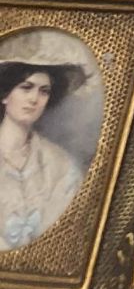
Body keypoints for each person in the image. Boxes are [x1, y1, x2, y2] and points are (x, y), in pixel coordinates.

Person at [0, 56, 88, 251]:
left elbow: (65, 232)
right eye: (26, 87)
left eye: (44, 91)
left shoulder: (61, 165)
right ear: (5, 95)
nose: (34, 99)